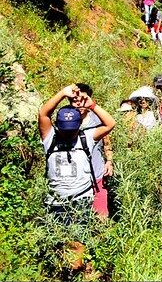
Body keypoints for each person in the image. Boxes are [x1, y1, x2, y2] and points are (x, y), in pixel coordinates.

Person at [38, 84, 116, 225]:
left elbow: (110, 124)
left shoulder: (84, 136)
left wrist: (91, 105)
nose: (68, 133)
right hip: (57, 201)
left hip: (82, 197)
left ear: (79, 124)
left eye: (71, 129)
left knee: (83, 237)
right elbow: (43, 114)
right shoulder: (51, 138)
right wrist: (63, 93)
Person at [74, 83, 115, 218]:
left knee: (101, 217)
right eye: (75, 100)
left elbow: (107, 143)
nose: (79, 103)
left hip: (96, 176)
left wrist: (109, 161)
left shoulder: (98, 119)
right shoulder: (66, 120)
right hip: (76, 179)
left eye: (83, 100)